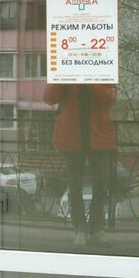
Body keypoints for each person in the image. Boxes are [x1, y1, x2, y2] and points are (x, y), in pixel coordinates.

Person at [43, 83, 117, 247]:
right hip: (73, 136)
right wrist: (62, 76)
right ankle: (80, 230)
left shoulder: (102, 72)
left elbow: (109, 100)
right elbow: (49, 98)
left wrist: (91, 80)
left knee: (101, 185)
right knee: (74, 187)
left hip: (99, 136)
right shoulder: (65, 73)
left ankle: (96, 230)